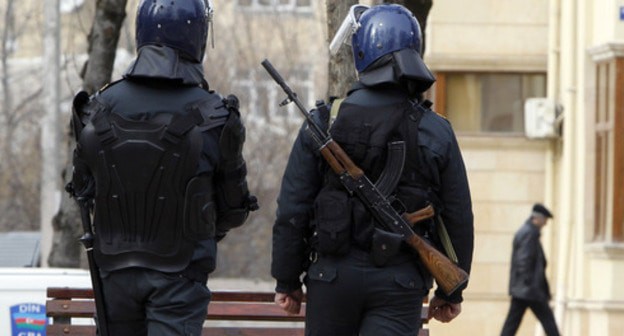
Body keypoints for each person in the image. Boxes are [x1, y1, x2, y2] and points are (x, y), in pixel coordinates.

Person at [271, 4, 474, 335]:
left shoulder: (324, 122)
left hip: (331, 279)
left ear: (361, 51)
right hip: (400, 281)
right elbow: (457, 217)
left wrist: (287, 278)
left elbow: (293, 208)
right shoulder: (435, 130)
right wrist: (451, 291)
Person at [67, 0, 257, 334]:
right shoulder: (216, 116)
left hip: (114, 271)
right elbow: (233, 208)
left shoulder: (97, 109)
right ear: (196, 34)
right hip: (180, 275)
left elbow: (83, 191)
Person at [501, 204, 560, 336]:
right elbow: (524, 261)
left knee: (512, 324)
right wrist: (529, 283)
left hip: (524, 289)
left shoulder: (528, 231)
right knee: (548, 321)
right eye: (545, 219)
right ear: (537, 218)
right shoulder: (529, 233)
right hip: (530, 290)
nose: (545, 223)